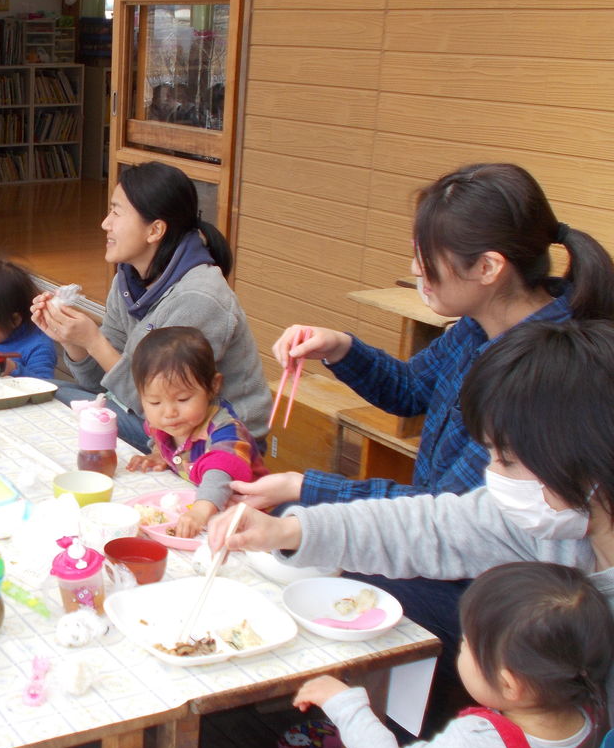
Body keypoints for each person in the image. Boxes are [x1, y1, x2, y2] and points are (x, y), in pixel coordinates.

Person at [205, 319, 614, 748]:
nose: (492, 476)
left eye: (506, 460)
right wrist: (288, 531)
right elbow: (428, 526)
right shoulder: (556, 515)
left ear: (583, 459)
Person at [235, 164, 614, 512]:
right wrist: (339, 348)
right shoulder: (479, 322)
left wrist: (305, 487)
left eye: (426, 257)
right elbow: (411, 389)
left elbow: (447, 510)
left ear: (487, 267)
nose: (415, 269)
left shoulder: (546, 375)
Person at [294, 562, 613, 748]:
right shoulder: (594, 713)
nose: (461, 649)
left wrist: (343, 703)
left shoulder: (478, 742)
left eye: (466, 645)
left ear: (507, 684)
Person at [30, 161, 269, 450]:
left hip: (216, 441)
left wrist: (93, 340)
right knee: (41, 389)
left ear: (155, 230)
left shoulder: (198, 298)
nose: (105, 223)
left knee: (52, 400)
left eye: (117, 212)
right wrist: (71, 338)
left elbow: (164, 404)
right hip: (158, 421)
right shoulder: (128, 280)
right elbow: (100, 383)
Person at [125, 326, 266, 538]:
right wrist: (159, 453)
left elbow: (220, 471)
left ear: (213, 386)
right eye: (154, 402)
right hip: (206, 517)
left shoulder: (224, 429)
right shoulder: (165, 422)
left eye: (183, 399)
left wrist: (200, 510)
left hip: (250, 521)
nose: (169, 413)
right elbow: (156, 434)